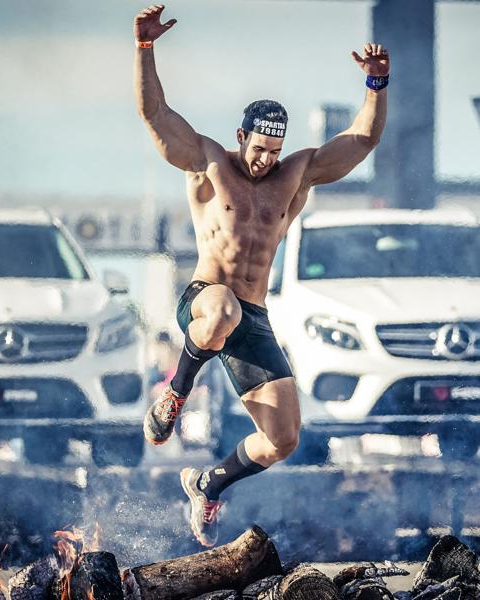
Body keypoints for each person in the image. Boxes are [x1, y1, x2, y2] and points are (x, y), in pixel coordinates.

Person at [133, 4, 389, 547]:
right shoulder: (208, 162)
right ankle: (176, 393)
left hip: (252, 316)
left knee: (283, 438)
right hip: (205, 301)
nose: (264, 161)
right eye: (258, 149)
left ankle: (207, 483)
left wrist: (376, 83)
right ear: (240, 136)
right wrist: (145, 49)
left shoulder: (296, 173)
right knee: (221, 307)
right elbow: (156, 116)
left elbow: (362, 141)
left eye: (273, 151)